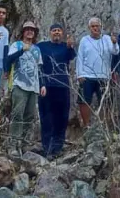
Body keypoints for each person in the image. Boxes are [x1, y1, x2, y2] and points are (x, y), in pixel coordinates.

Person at [6, 21, 46, 155]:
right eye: (27, 29)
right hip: (19, 84)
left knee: (30, 116)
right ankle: (12, 145)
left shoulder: (37, 49)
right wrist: (21, 50)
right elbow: (8, 60)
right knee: (17, 114)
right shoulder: (16, 45)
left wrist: (43, 84)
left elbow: (40, 68)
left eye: (32, 30)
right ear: (23, 31)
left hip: (33, 87)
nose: (30, 31)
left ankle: (24, 144)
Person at [37, 23, 77, 158]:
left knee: (62, 117)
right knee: (46, 117)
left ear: (62, 33)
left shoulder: (66, 47)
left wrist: (71, 46)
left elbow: (71, 56)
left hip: (62, 86)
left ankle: (57, 147)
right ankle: (47, 147)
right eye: (54, 30)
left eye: (59, 31)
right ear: (50, 33)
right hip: (46, 87)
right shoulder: (41, 46)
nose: (56, 33)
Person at [76, 17, 119, 128]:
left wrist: (114, 43)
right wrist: (80, 74)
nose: (95, 28)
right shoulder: (84, 40)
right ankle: (86, 125)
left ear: (101, 27)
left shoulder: (107, 39)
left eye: (97, 26)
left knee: (106, 101)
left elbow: (115, 51)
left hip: (104, 76)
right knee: (84, 101)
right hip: (87, 76)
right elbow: (80, 57)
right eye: (93, 26)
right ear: (89, 28)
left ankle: (104, 125)